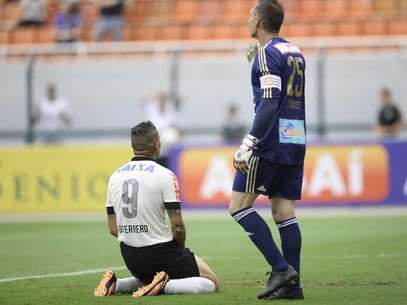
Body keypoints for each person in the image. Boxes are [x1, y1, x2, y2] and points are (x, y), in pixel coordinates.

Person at [229, 0, 305, 300]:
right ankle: (293, 287)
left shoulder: (267, 54)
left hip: (270, 142)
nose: (247, 20)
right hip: (295, 136)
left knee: (238, 206)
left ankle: (281, 268)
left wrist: (247, 144)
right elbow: (282, 93)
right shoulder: (294, 52)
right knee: (284, 212)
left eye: (250, 16)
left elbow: (270, 101)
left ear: (259, 21)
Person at [94, 121, 219, 298]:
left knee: (150, 276)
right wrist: (178, 252)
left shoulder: (115, 176)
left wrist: (137, 237)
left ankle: (118, 283)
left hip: (130, 255)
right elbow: (177, 227)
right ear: (157, 143)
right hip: (161, 252)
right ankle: (163, 286)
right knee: (211, 282)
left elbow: (113, 228)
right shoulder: (164, 175)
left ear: (132, 146)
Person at [142, 91, 182, 168]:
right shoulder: (151, 110)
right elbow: (142, 100)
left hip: (167, 150)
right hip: (153, 150)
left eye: (164, 100)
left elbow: (177, 129)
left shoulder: (170, 113)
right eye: (160, 99)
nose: (162, 102)